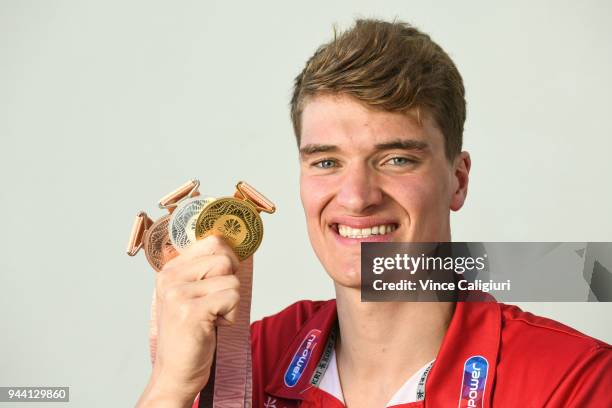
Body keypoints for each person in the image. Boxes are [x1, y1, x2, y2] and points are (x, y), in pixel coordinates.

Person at [136, 19, 611, 407]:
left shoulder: (575, 382)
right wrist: (170, 389)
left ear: (458, 179)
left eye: (396, 159)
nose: (357, 197)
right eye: (326, 162)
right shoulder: (248, 360)